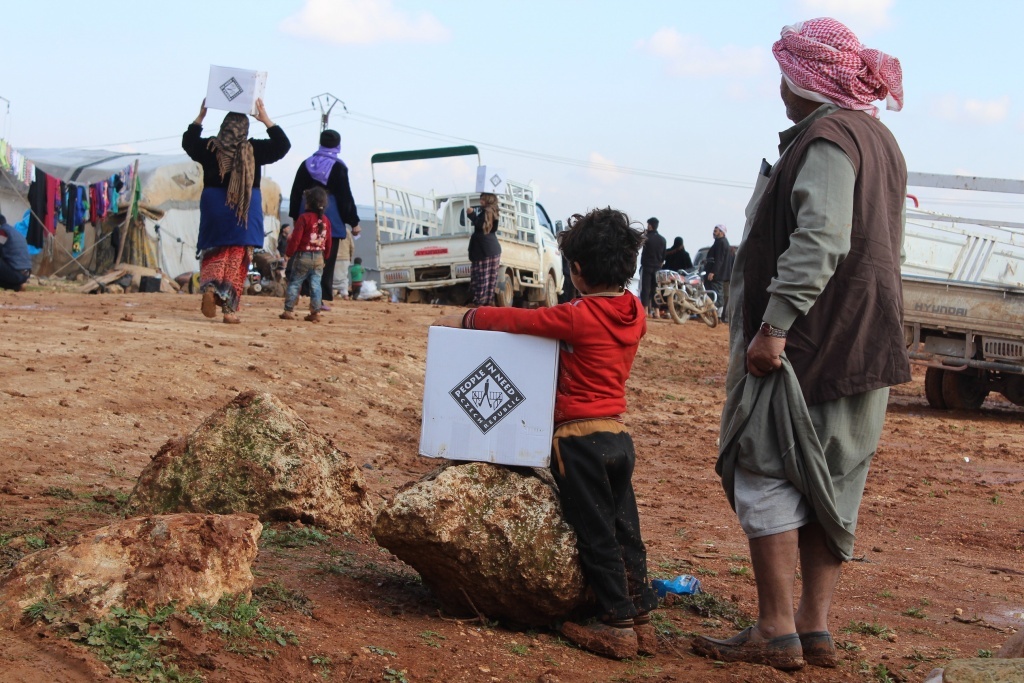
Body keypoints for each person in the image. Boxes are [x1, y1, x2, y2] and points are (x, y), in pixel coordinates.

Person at [691, 17, 909, 672]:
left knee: (764, 466)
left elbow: (821, 238)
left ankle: (777, 626)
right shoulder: (877, 139)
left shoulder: (827, 139)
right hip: (864, 342)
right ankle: (814, 627)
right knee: (831, 480)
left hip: (808, 345)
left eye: (784, 73)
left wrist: (774, 326)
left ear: (801, 78)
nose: (780, 87)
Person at [432, 207, 659, 660]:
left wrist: (472, 318)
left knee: (595, 534)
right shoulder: (634, 312)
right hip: (617, 437)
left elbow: (521, 323)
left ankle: (616, 626)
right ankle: (641, 620)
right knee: (625, 530)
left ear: (576, 270)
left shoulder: (578, 315)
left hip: (577, 443)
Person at [183, 98, 291, 324]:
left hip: (214, 206)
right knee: (237, 256)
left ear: (223, 127)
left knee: (215, 250)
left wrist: (200, 117)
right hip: (244, 207)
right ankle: (230, 309)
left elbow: (189, 142)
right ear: (245, 130)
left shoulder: (209, 147)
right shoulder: (254, 149)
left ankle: (212, 287)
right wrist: (266, 119)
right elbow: (283, 146)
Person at [289, 130, 361, 312]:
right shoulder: (338, 167)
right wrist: (354, 222)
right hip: (331, 218)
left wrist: (296, 217)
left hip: (305, 215)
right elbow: (346, 197)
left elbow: (296, 192)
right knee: (326, 261)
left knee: (300, 257)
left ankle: (296, 291)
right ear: (338, 145)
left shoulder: (306, 164)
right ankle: (319, 298)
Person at [281, 186, 331, 323]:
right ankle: (315, 312)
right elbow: (329, 241)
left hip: (303, 256)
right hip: (319, 257)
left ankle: (288, 310)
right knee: (316, 284)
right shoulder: (326, 221)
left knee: (295, 283)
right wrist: (325, 257)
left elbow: (296, 239)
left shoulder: (303, 218)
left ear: (307, 203)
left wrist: (288, 253)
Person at [467, 192, 501, 306]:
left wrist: (472, 215)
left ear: (488, 200)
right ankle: (484, 302)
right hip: (487, 249)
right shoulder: (490, 211)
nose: (480, 201)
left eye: (482, 199)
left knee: (483, 278)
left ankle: (481, 302)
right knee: (484, 278)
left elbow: (483, 227)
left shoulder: (489, 211)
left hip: (486, 250)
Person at [638, 217, 666, 316]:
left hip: (647, 266)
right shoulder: (662, 239)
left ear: (650, 225)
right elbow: (663, 256)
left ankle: (645, 310)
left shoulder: (647, 238)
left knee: (645, 288)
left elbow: (639, 246)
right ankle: (657, 311)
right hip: (657, 268)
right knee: (656, 289)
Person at [0, 214, 31, 291]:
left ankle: (16, 285)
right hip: (25, 273)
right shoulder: (13, 231)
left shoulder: (3, 232)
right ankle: (17, 286)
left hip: (16, 272)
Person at [703, 224, 730, 302]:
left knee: (717, 297)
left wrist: (713, 272)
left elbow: (719, 259)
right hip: (714, 275)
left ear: (721, 232)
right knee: (711, 295)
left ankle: (718, 313)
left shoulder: (721, 242)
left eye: (715, 231)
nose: (713, 233)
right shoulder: (718, 242)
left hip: (717, 276)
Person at [333, 228, 355, 299]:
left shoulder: (331, 227)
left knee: (331, 276)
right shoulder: (347, 231)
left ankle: (330, 293)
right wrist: (350, 257)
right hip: (345, 257)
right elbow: (352, 246)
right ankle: (345, 294)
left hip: (333, 257)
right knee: (344, 277)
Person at [720, 245, 737, 322]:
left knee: (725, 298)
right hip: (729, 279)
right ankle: (724, 317)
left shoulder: (726, 255)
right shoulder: (734, 255)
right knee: (727, 298)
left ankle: (723, 316)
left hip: (724, 279)